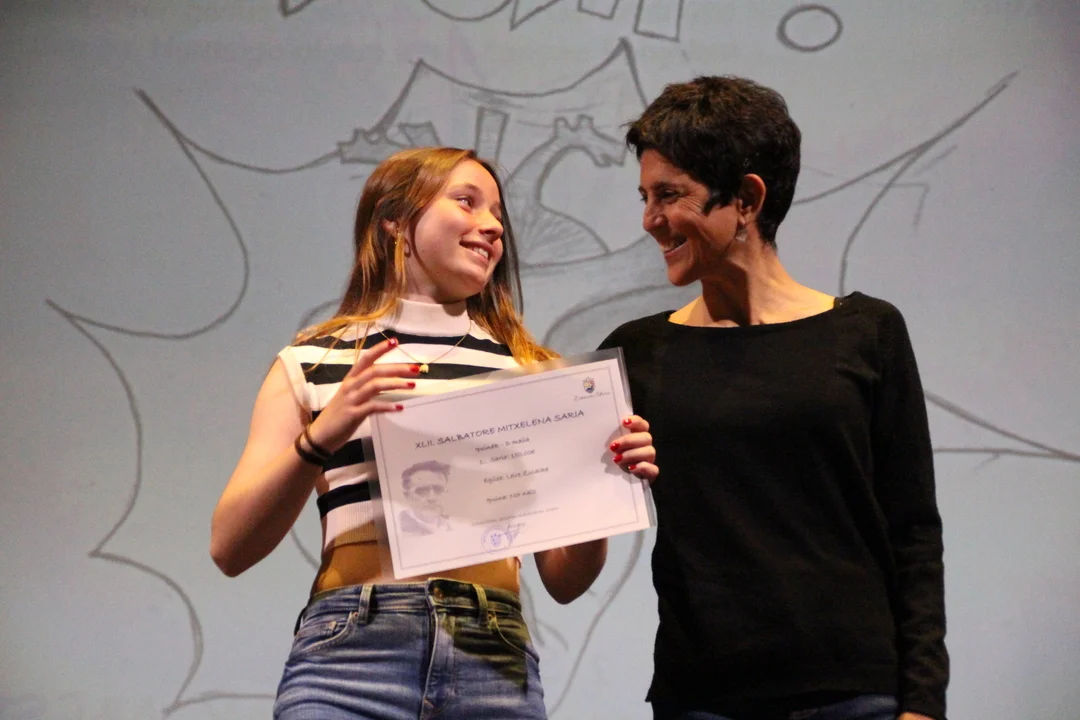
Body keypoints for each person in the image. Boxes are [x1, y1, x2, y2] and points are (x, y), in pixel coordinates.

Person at [210, 146, 658, 720]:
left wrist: (600, 489)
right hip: (351, 659)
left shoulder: (533, 373)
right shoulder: (314, 362)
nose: (492, 226)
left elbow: (564, 581)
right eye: (467, 202)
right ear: (395, 220)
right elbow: (231, 548)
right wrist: (322, 436)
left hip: (491, 657)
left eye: (498, 214)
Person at [599, 77, 948, 720]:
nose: (650, 220)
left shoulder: (868, 332)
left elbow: (913, 531)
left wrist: (922, 702)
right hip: (703, 698)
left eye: (669, 195)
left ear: (747, 199)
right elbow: (572, 540)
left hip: (854, 696)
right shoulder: (635, 353)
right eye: (645, 197)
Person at [398, 460, 452, 535]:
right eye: (422, 491)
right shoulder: (397, 530)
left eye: (438, 489)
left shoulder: (456, 527)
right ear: (407, 496)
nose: (432, 498)